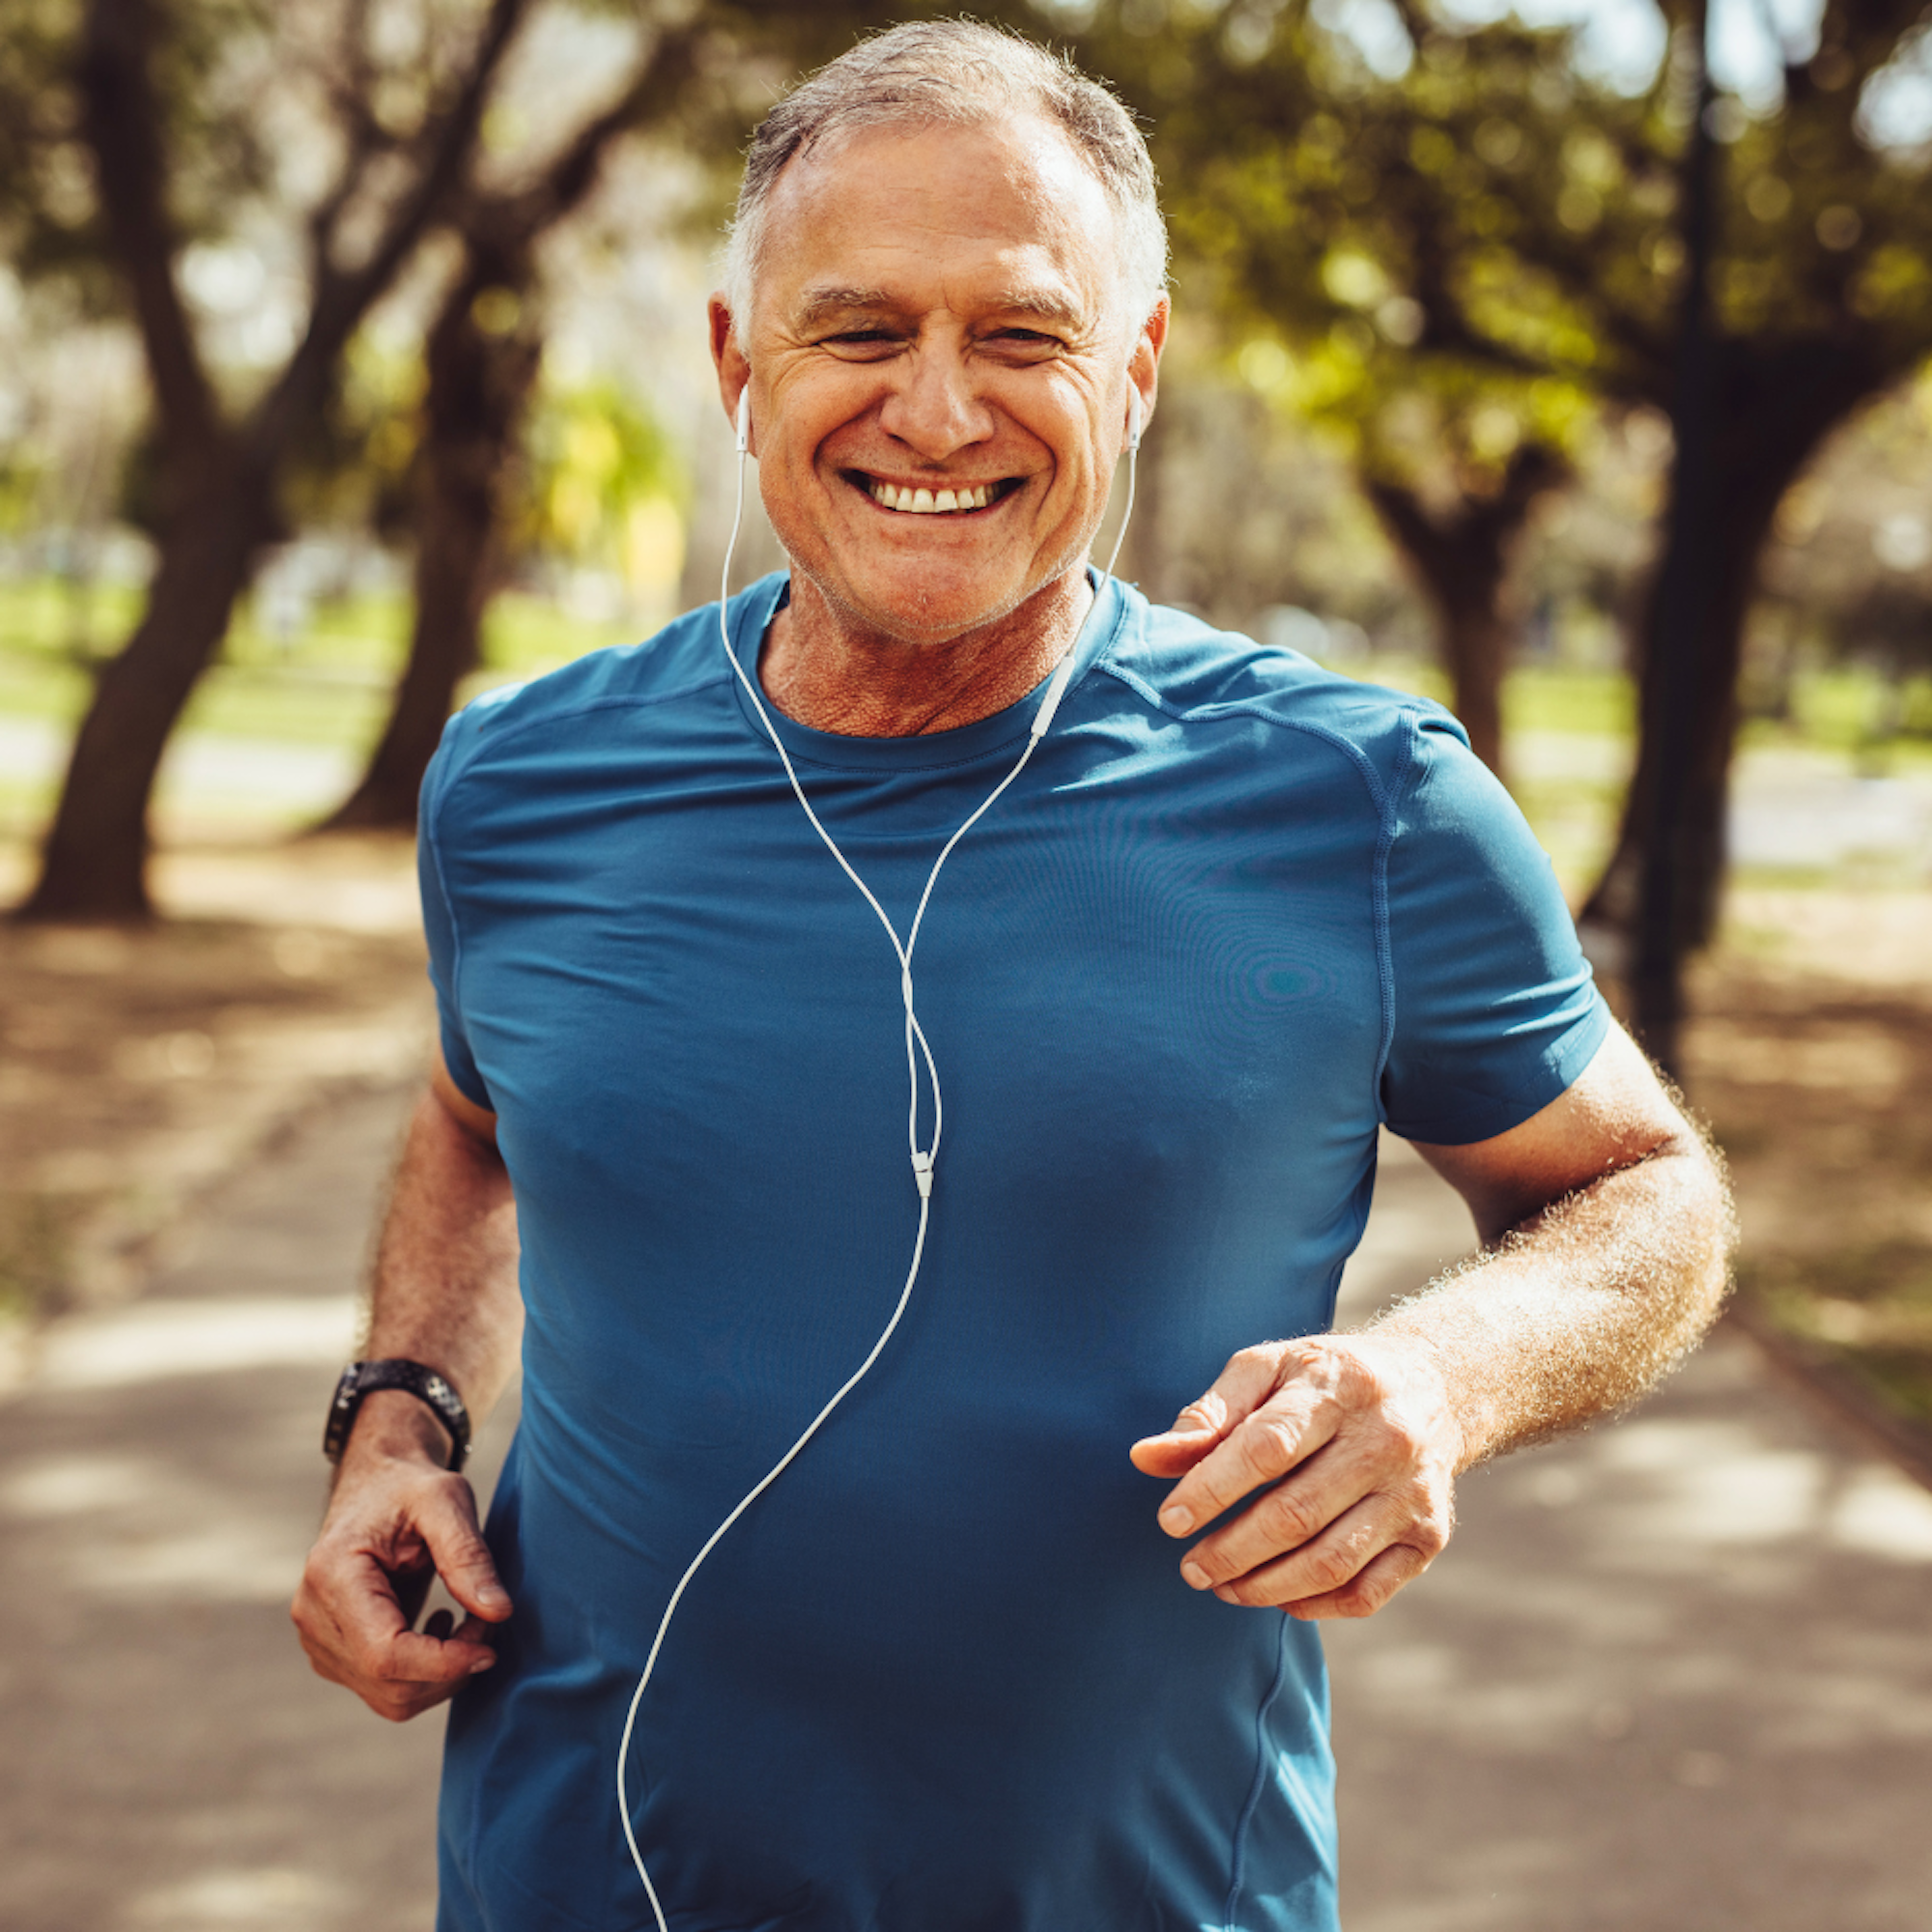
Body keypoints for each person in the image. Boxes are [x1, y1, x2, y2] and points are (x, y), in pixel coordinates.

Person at [292, 21, 1732, 1931]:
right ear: (741, 364)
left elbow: (1647, 1194)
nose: (942, 412)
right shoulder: (522, 783)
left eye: (1025, 336)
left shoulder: (1367, 801)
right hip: (572, 1872)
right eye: (861, 331)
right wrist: (398, 1423)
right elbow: (478, 1118)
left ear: (1132, 374)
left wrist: (1437, 1379)